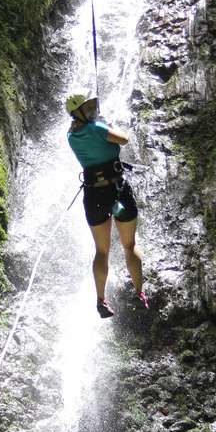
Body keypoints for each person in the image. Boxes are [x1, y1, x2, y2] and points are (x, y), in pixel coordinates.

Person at [65, 93, 148, 318]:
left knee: (101, 251)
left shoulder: (71, 136)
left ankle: (101, 299)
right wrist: (108, 124)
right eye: (88, 107)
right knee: (129, 245)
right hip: (117, 190)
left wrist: (98, 123)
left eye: (93, 106)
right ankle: (140, 292)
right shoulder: (97, 128)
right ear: (78, 112)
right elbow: (123, 139)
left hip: (93, 195)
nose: (93, 109)